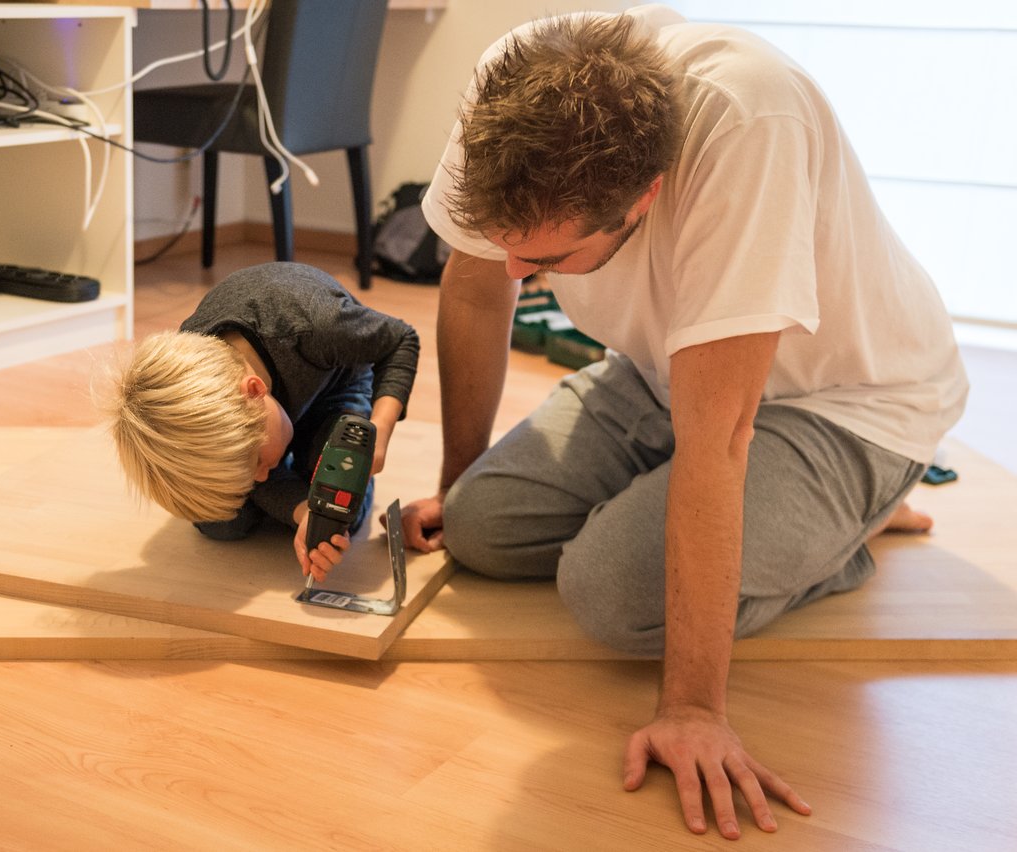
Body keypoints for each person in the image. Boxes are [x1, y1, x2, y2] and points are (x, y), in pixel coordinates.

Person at [403, 5, 968, 841]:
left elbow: (721, 440)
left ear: (645, 196)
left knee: (613, 593)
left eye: (547, 261)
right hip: (662, 367)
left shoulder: (750, 122)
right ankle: (771, 516)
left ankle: (862, 513)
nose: (516, 269)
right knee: (481, 527)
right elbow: (480, 286)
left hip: (848, 401)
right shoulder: (513, 80)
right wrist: (457, 481)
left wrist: (693, 708)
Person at [105, 261, 418, 582]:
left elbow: (401, 340)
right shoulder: (191, 374)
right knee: (219, 522)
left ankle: (306, 479)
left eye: (257, 463)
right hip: (273, 415)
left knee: (336, 515)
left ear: (255, 391)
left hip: (336, 386)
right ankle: (288, 488)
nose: (261, 476)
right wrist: (302, 511)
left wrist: (379, 429)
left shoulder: (316, 324)